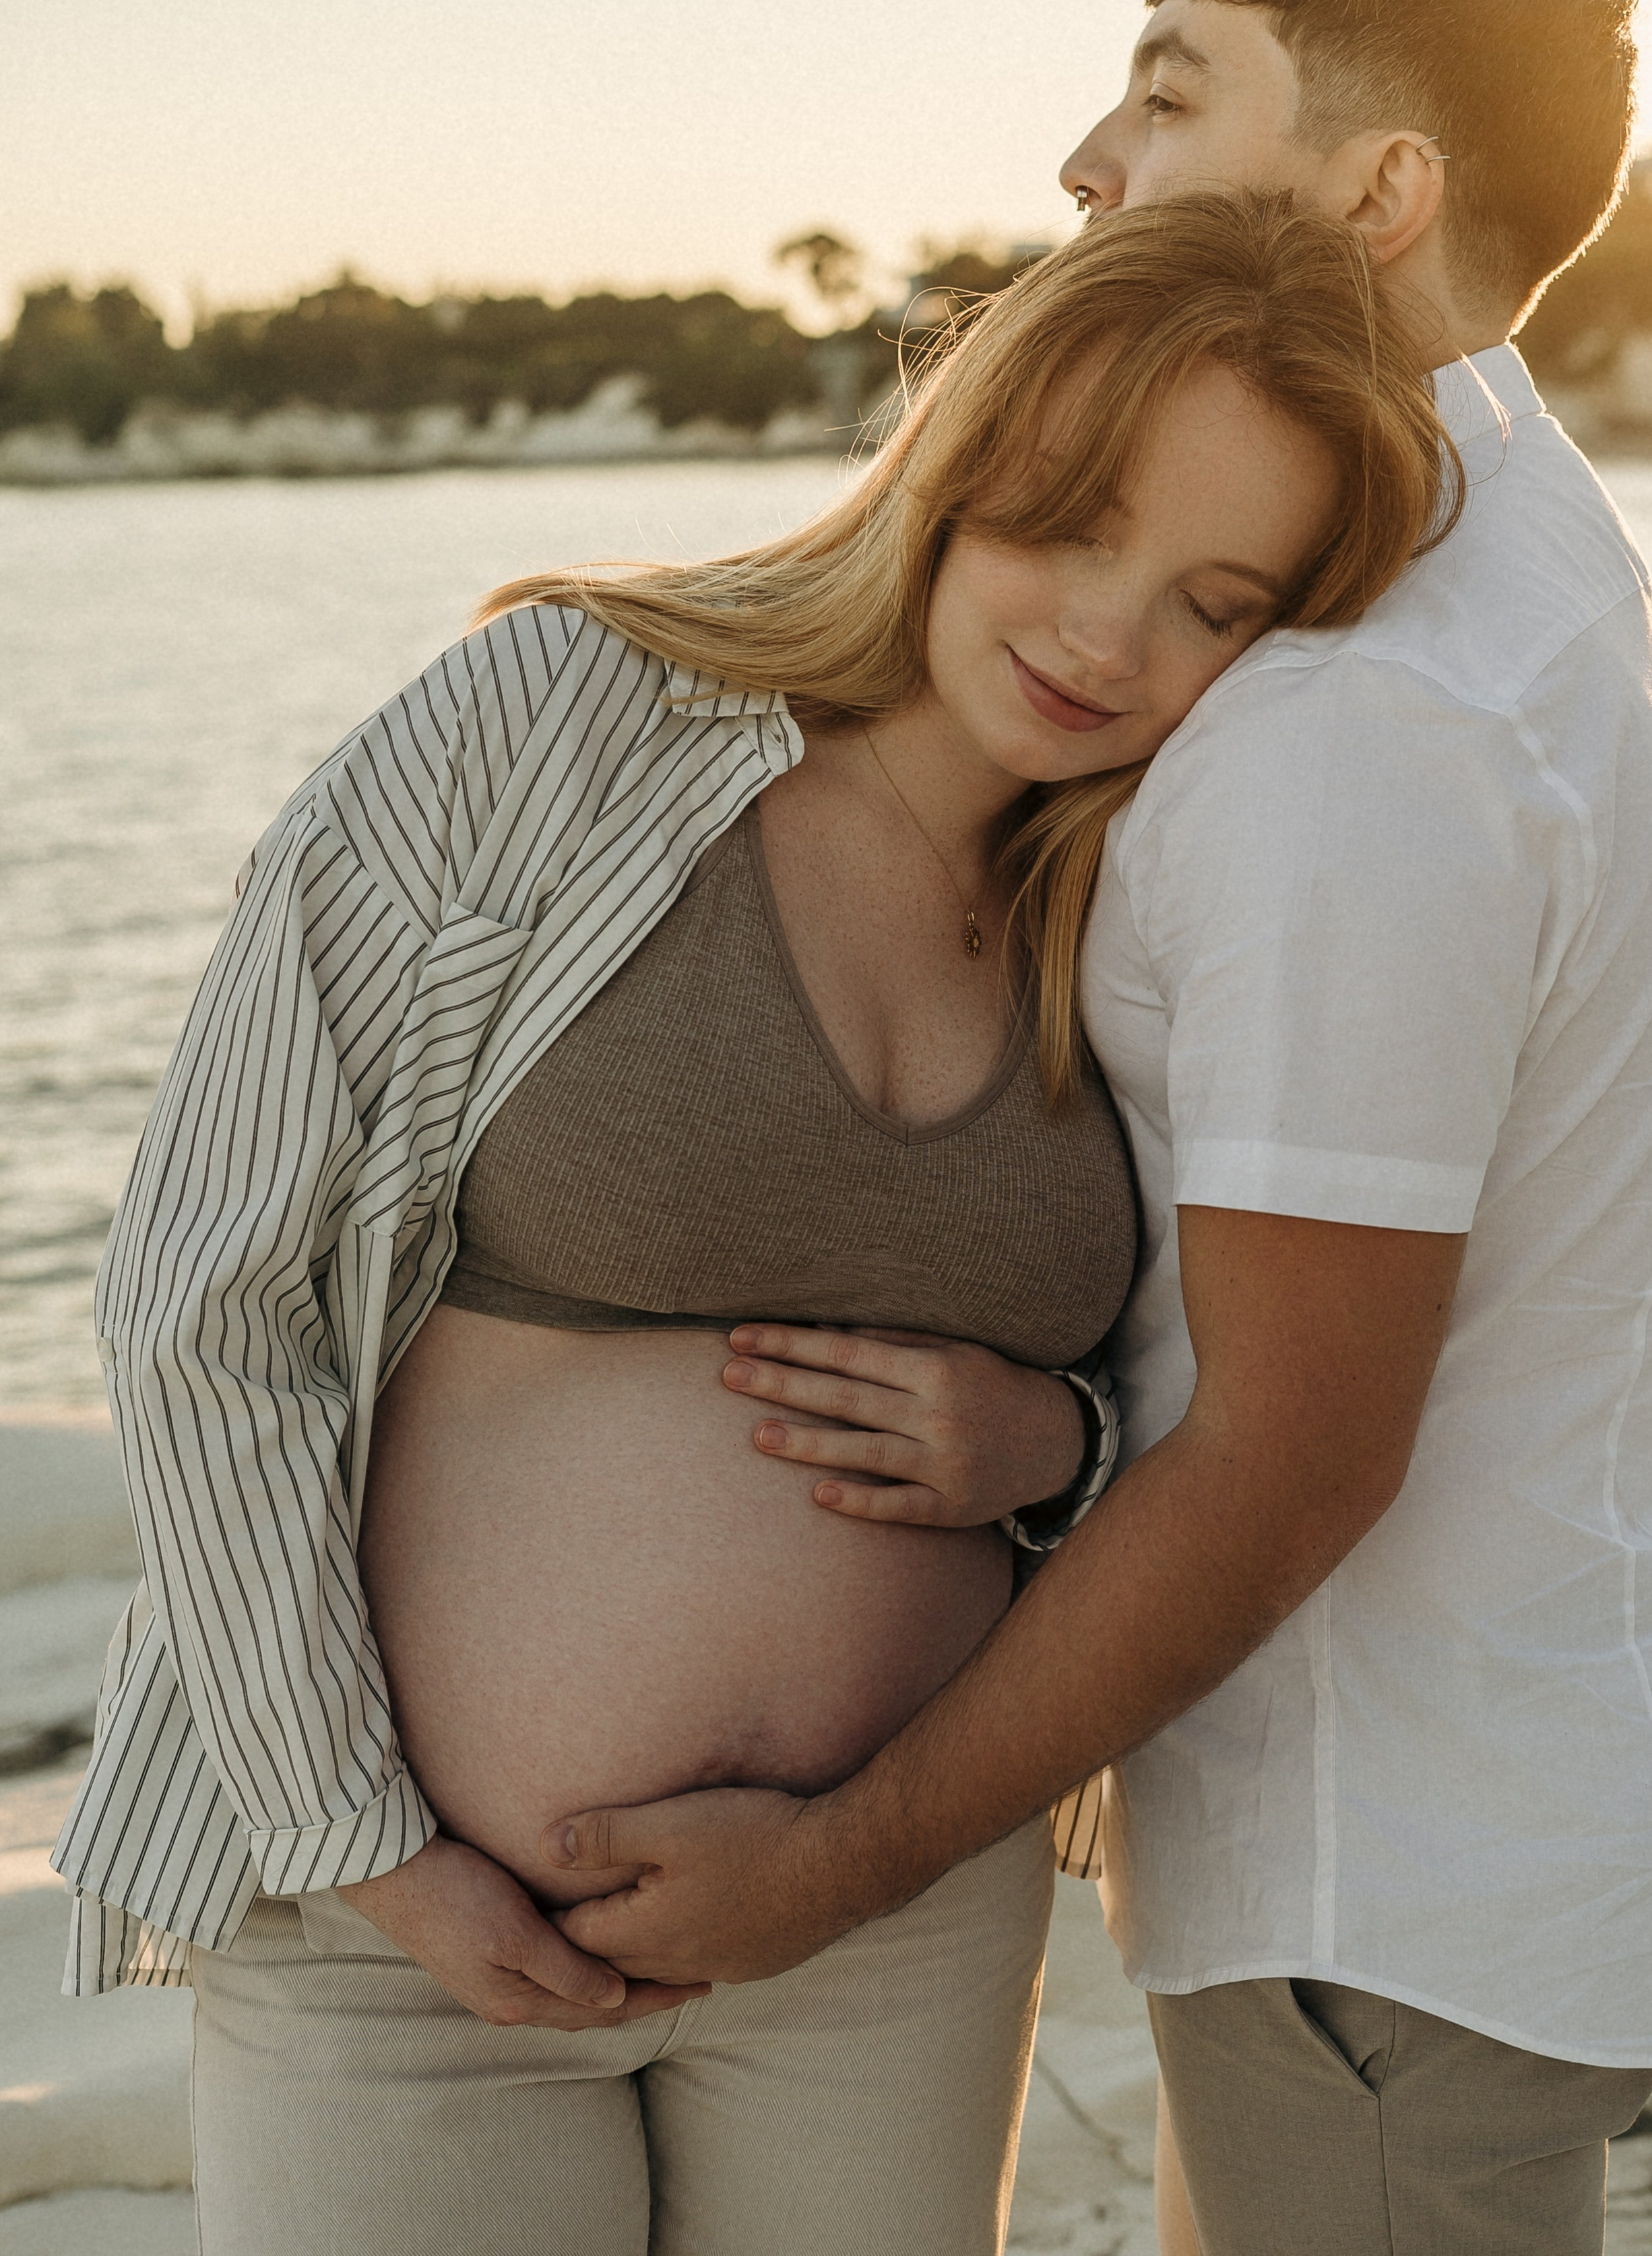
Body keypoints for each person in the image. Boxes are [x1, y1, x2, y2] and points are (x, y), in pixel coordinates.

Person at [52, 192, 1453, 2255]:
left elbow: (1209, 1395)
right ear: (959, 459)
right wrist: (367, 1845)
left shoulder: (1150, 901)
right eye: (1070, 524)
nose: (1106, 638)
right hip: (406, 1926)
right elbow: (203, 1297)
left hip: (888, 1936)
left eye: (1214, 604)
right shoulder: (552, 723)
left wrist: (1048, 1444)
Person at [537, 0, 1652, 2256]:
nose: (1091, 159)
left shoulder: (1361, 719)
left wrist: (834, 1865)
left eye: (1174, 92)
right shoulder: (1518, 574)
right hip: (1450, 1835)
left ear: (1383, 190)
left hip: (1386, 1871)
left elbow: (1295, 1452)